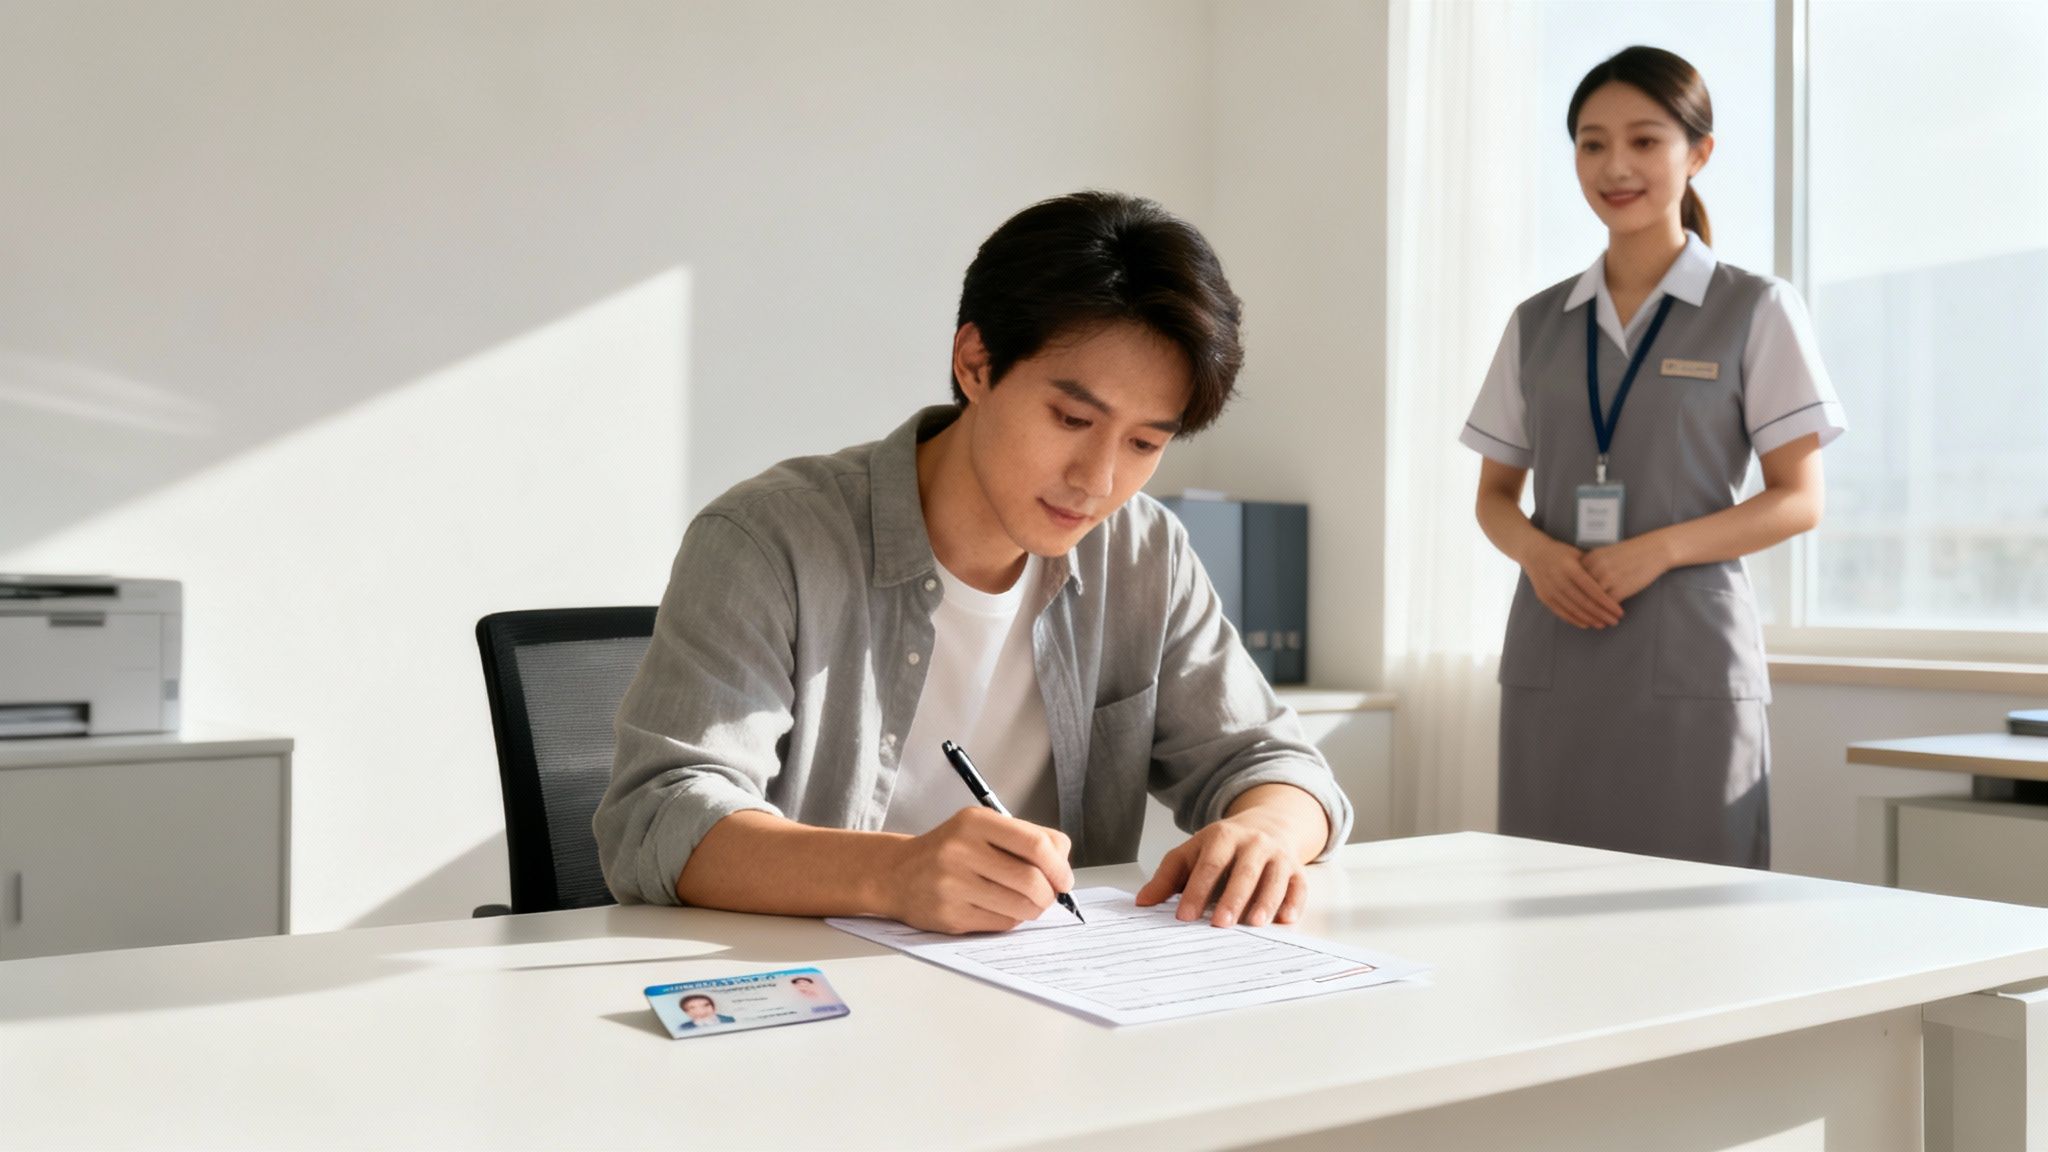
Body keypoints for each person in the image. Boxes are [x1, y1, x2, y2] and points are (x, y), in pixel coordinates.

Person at [595, 191, 1352, 934]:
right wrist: (893, 876)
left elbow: (1279, 765)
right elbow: (658, 816)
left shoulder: (1143, 552)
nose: (1098, 480)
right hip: (813, 990)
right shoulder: (770, 540)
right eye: (1072, 418)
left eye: (1144, 443)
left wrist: (1266, 833)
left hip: (1051, 986)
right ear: (976, 363)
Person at [1460, 46, 1845, 869]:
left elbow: (1799, 498)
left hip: (1690, 658)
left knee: (1699, 904)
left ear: (1698, 153)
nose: (1615, 166)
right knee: (1544, 896)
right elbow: (1493, 495)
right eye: (1592, 143)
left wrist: (1658, 550)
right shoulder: (1537, 323)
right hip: (1557, 644)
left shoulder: (1756, 308)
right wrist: (1538, 554)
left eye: (1644, 140)